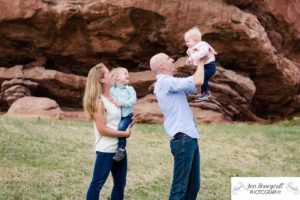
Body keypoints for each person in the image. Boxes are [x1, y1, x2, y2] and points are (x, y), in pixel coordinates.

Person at [150, 53, 206, 200]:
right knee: (180, 188)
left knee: (193, 186)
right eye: (169, 59)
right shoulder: (165, 82)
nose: (173, 60)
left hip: (189, 137)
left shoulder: (170, 83)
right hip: (183, 138)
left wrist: (207, 65)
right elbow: (198, 80)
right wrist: (200, 61)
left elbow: (198, 88)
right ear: (162, 66)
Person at [83, 63, 133, 200]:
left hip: (119, 150)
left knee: (120, 184)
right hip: (106, 150)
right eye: (108, 74)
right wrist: (124, 134)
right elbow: (102, 130)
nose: (112, 75)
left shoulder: (115, 98)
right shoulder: (99, 102)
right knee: (97, 184)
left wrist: (129, 120)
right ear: (102, 80)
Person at [110, 67, 137, 162]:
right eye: (125, 73)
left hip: (126, 116)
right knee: (114, 128)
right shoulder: (112, 89)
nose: (127, 75)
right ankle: (115, 147)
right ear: (117, 77)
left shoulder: (130, 89)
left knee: (121, 128)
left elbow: (133, 100)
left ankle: (121, 149)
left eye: (127, 73)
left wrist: (124, 103)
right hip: (116, 115)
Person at [185, 26, 217, 102]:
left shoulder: (202, 45)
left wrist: (192, 57)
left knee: (202, 79)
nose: (186, 44)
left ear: (195, 40)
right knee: (201, 79)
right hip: (204, 66)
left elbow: (203, 52)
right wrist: (190, 60)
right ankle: (203, 95)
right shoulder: (191, 49)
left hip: (210, 67)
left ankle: (207, 94)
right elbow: (195, 57)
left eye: (187, 41)